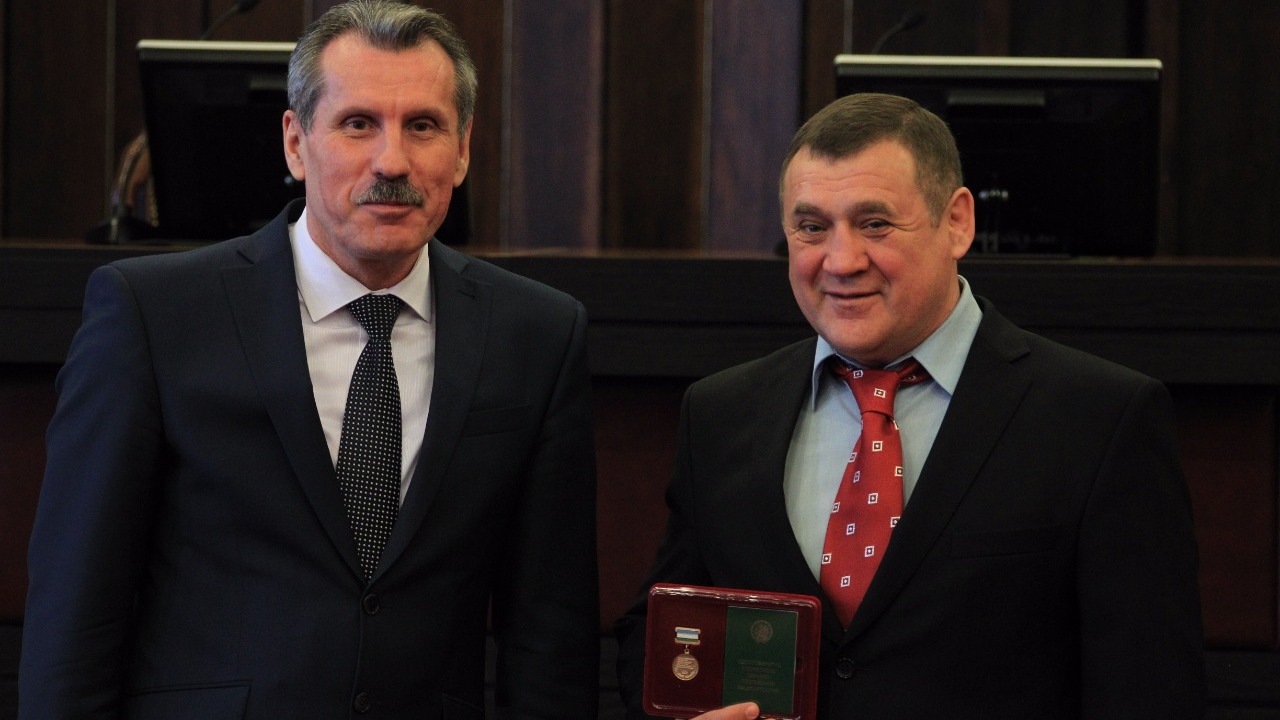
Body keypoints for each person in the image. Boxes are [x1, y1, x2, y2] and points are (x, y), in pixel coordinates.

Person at [20, 1, 599, 717]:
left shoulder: (536, 334)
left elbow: (550, 637)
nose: (393, 161)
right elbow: (76, 612)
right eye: (358, 124)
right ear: (296, 144)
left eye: (423, 126)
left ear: (463, 149)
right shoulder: (154, 316)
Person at [615, 93, 1205, 719]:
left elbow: (1149, 690)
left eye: (875, 223)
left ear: (957, 223)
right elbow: (660, 634)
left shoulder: (1100, 418)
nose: (841, 261)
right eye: (811, 227)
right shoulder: (720, 414)